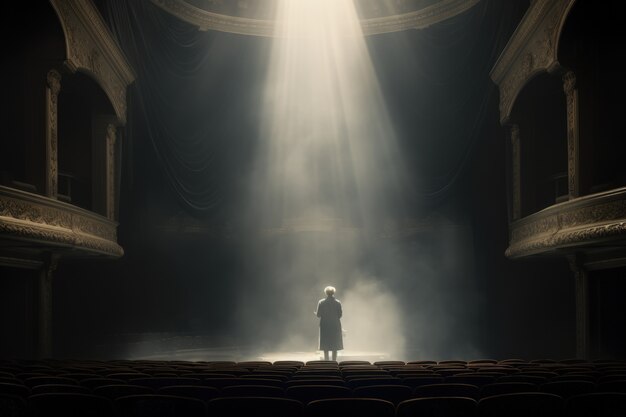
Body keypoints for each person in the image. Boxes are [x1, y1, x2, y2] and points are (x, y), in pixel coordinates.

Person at [315, 285, 343, 361]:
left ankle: (326, 360)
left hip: (325, 325)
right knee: (335, 344)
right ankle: (334, 361)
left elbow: (318, 315)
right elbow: (340, 314)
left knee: (325, 343)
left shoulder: (321, 302)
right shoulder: (338, 303)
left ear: (326, 293)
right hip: (335, 325)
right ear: (333, 293)